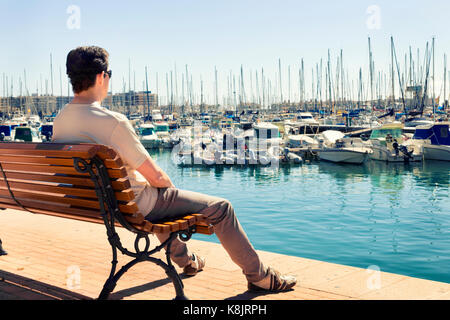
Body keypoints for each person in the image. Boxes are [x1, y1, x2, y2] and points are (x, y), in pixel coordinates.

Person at [52, 46, 297, 293]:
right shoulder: (112, 121)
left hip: (96, 206)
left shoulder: (60, 120)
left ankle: (187, 261)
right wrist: (169, 189)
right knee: (220, 208)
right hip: (131, 207)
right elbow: (157, 177)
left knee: (159, 199)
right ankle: (260, 277)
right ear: (101, 76)